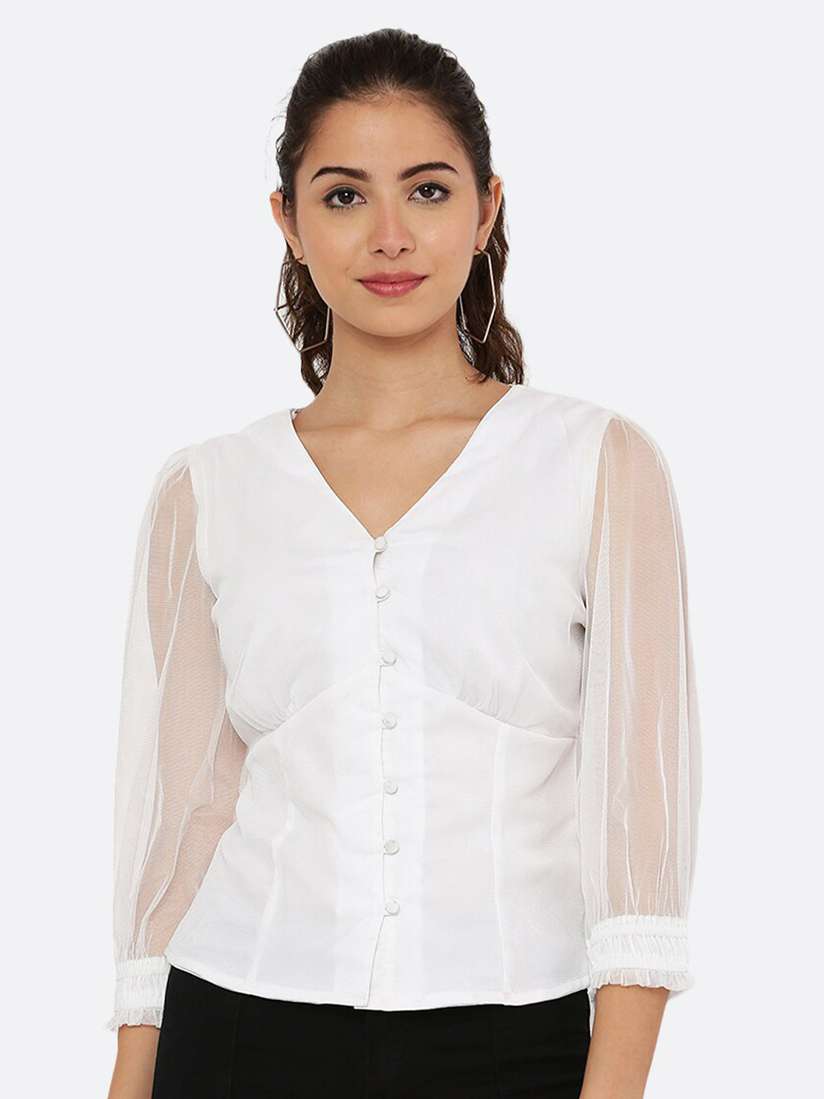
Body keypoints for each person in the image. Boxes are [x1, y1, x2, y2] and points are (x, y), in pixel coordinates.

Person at [105, 27, 702, 1099]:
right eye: (343, 196)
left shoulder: (598, 465)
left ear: (486, 208)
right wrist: (130, 1069)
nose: (389, 236)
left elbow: (639, 826)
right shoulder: (206, 487)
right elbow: (183, 814)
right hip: (233, 1026)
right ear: (288, 222)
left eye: (427, 190)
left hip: (513, 1035)